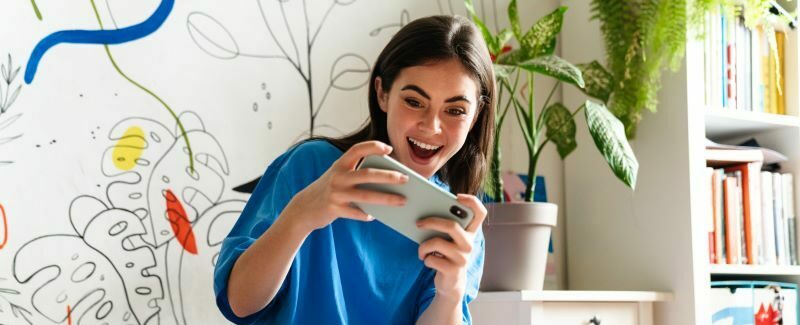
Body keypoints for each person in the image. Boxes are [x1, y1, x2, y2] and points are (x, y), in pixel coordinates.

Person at [214, 14, 496, 325]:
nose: (431, 126)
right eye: (414, 102)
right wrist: (301, 216)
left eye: (455, 110)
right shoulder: (313, 166)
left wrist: (451, 293)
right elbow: (239, 303)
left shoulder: (459, 227)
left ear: (475, 116)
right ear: (382, 94)